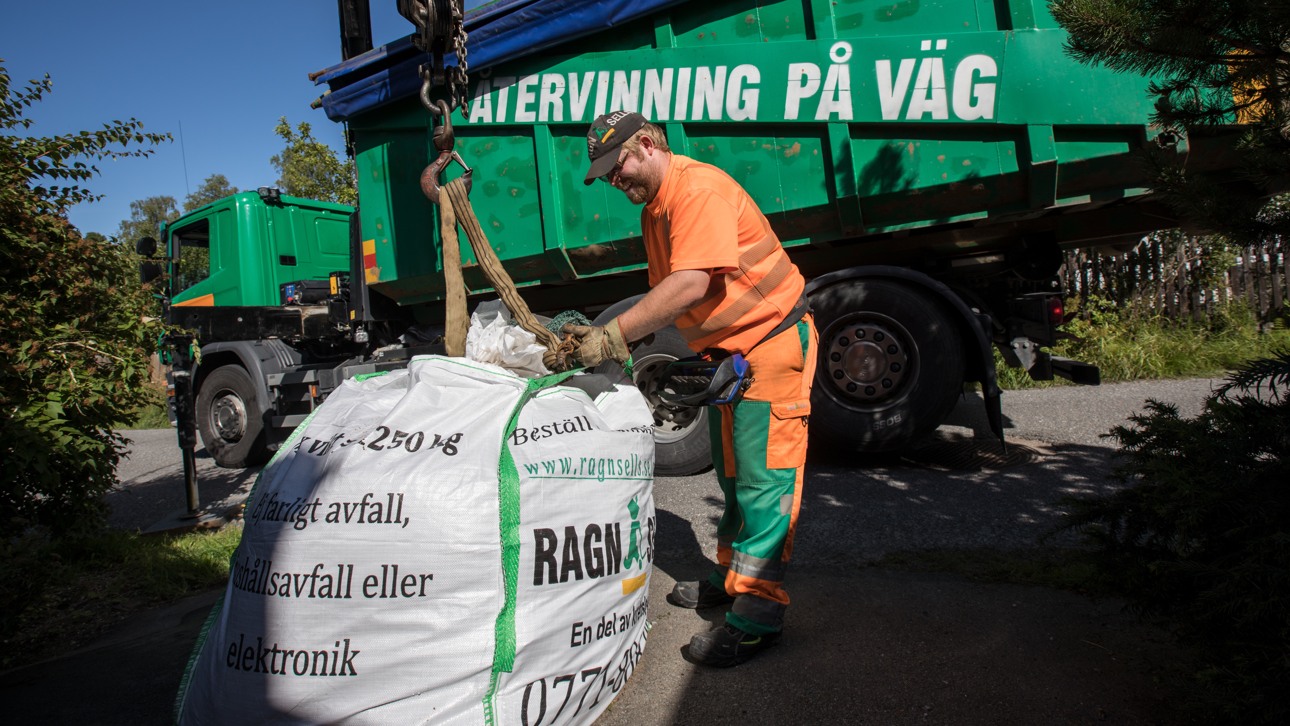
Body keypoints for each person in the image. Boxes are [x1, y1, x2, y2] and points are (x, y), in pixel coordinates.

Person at [564, 110, 818, 667]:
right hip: (733, 354)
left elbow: (691, 282)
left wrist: (613, 336)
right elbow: (670, 296)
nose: (615, 180)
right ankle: (729, 578)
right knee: (732, 474)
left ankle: (756, 617)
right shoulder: (657, 209)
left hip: (770, 344)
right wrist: (629, 338)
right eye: (605, 174)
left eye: (619, 165)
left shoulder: (696, 190)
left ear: (649, 144)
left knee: (763, 482)